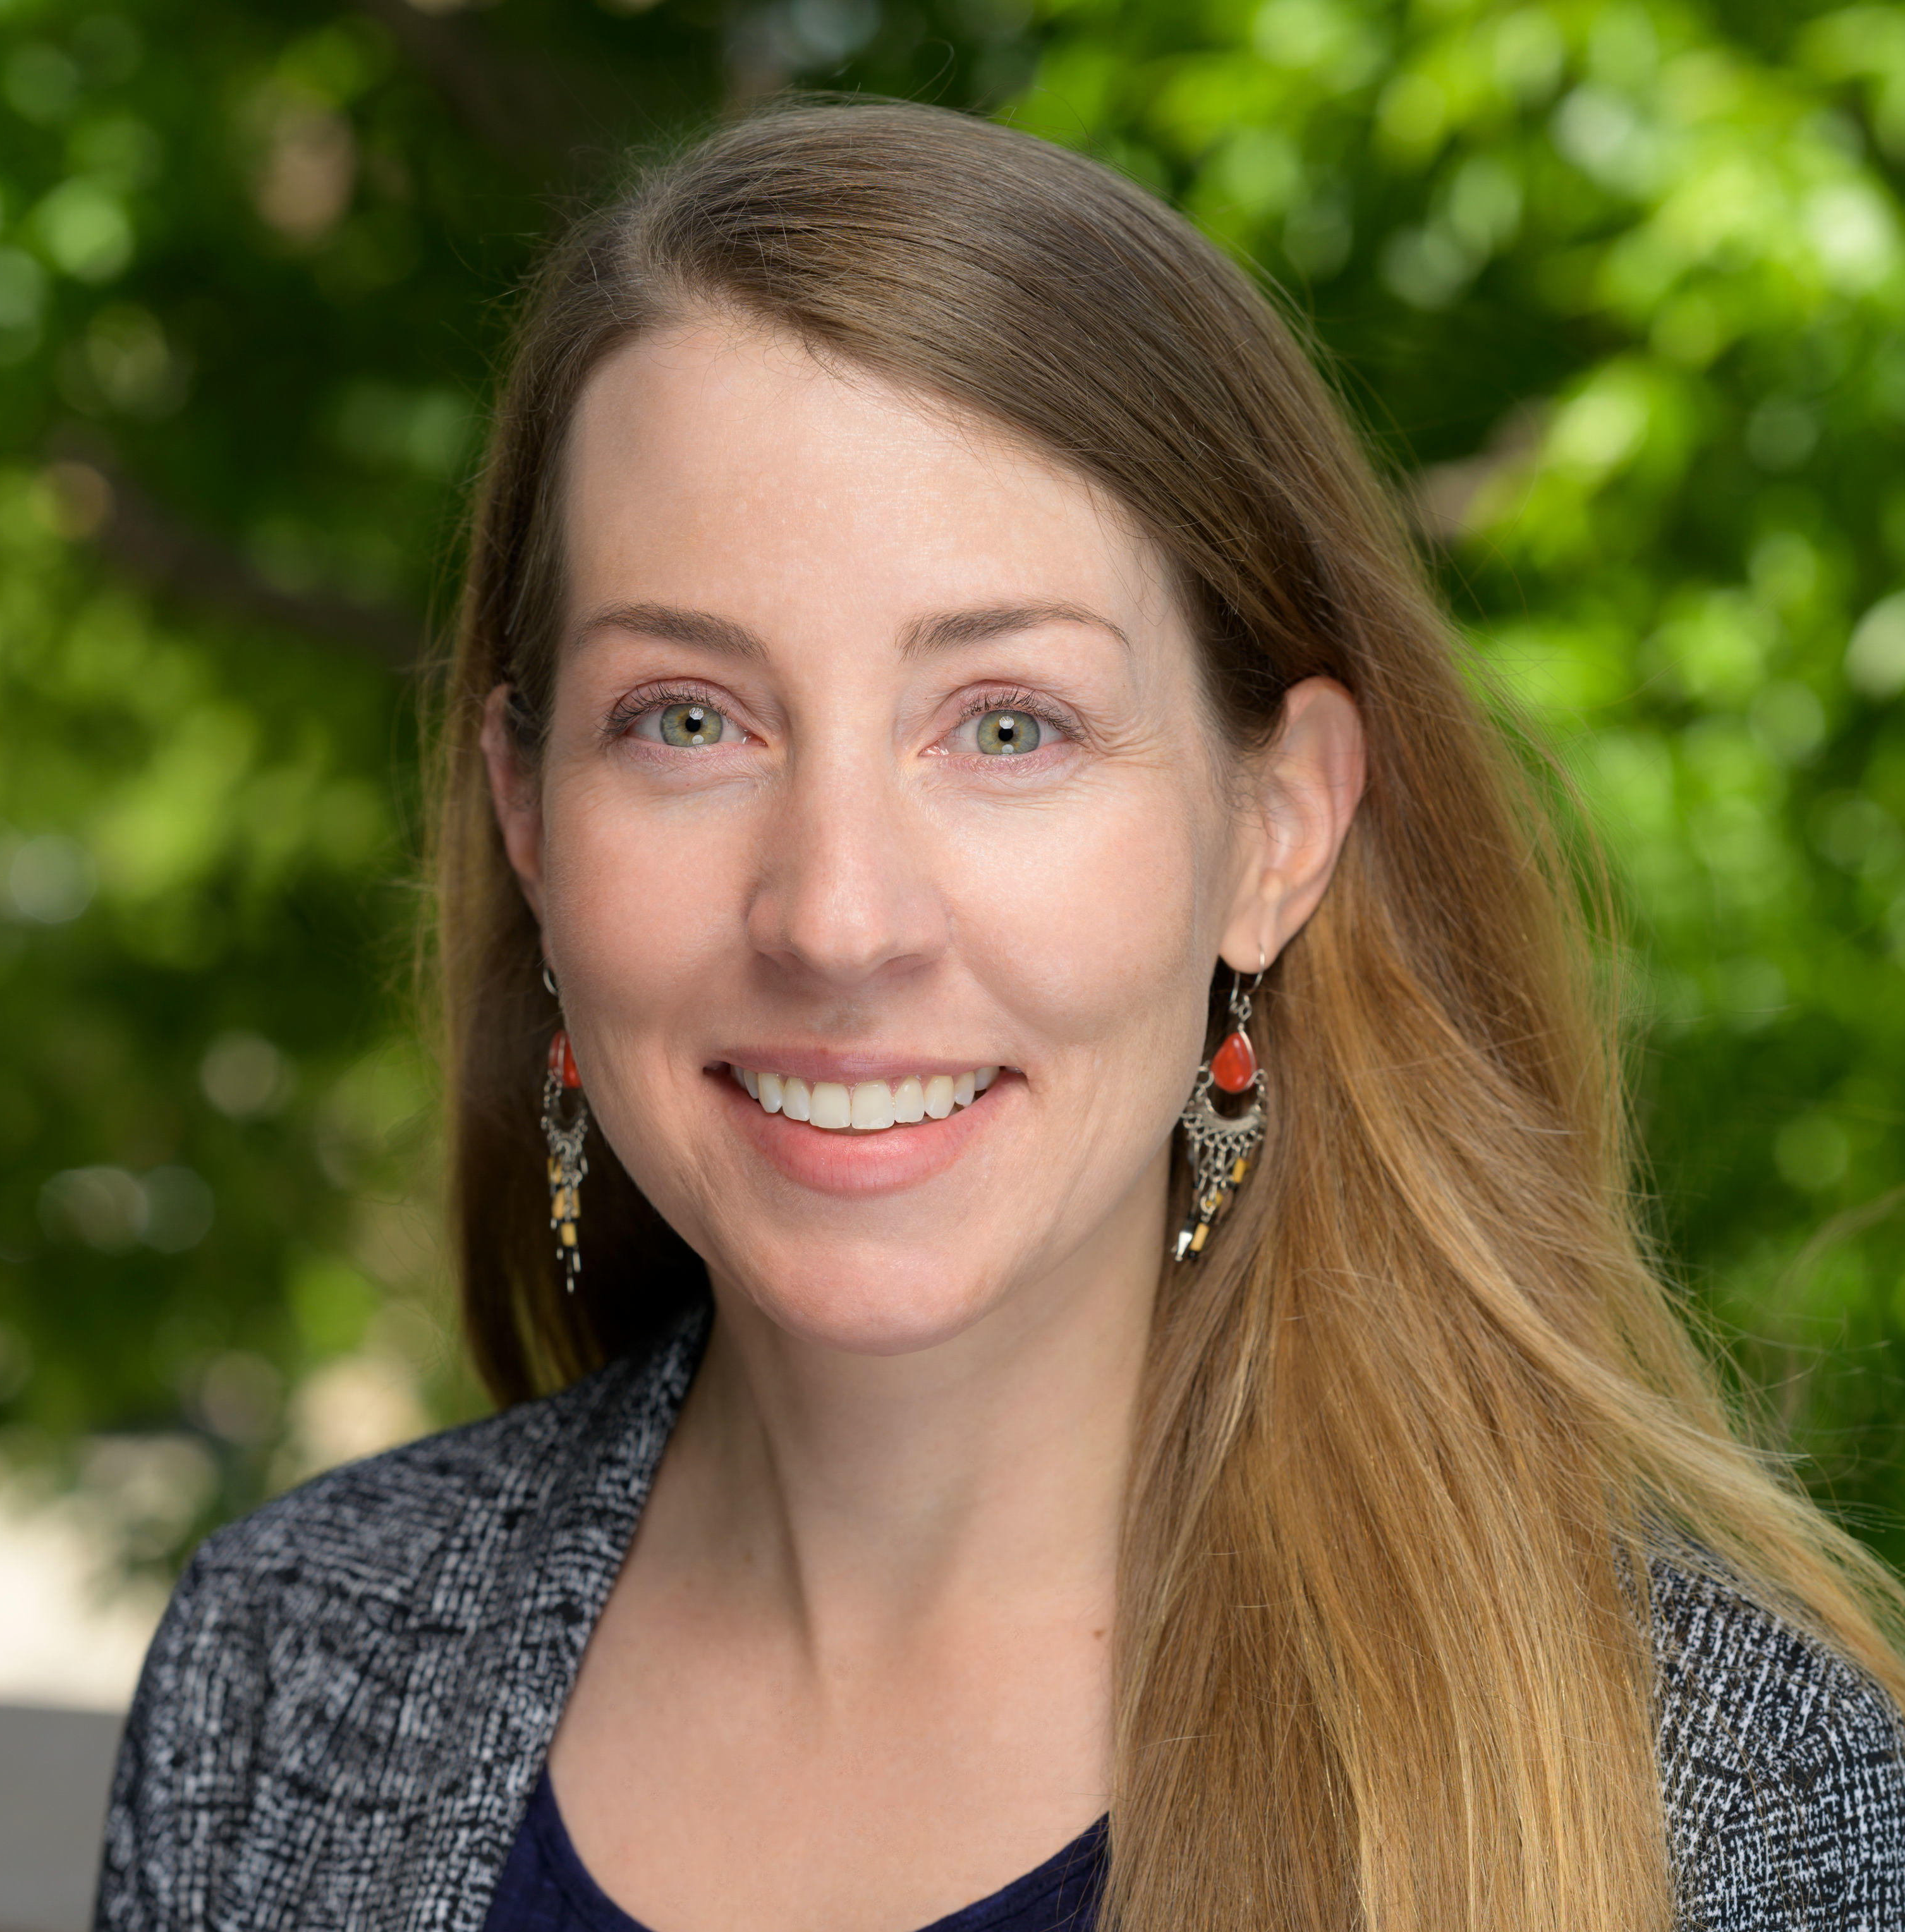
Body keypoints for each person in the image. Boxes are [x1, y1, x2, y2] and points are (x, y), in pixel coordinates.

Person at [97, 101, 1905, 1932]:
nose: (836, 916)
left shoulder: (1716, 1799)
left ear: (1273, 829)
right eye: (688, 719)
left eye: (1008, 724)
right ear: (526, 811)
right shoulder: (283, 1676)